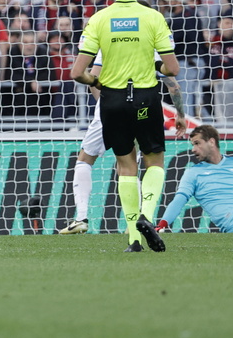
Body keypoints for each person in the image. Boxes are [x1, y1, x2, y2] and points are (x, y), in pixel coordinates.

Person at [71, 0, 179, 252]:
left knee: (125, 166)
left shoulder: (99, 19)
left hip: (112, 101)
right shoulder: (153, 17)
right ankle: (147, 214)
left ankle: (133, 238)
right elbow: (172, 69)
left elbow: (77, 72)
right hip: (145, 96)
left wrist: (96, 79)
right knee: (154, 160)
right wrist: (152, 63)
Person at [60, 46, 187, 235]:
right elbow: (173, 84)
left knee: (85, 159)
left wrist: (102, 105)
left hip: (110, 106)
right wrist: (181, 113)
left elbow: (93, 79)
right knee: (131, 167)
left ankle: (81, 218)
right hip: (141, 106)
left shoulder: (109, 42)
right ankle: (135, 222)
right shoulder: (149, 46)